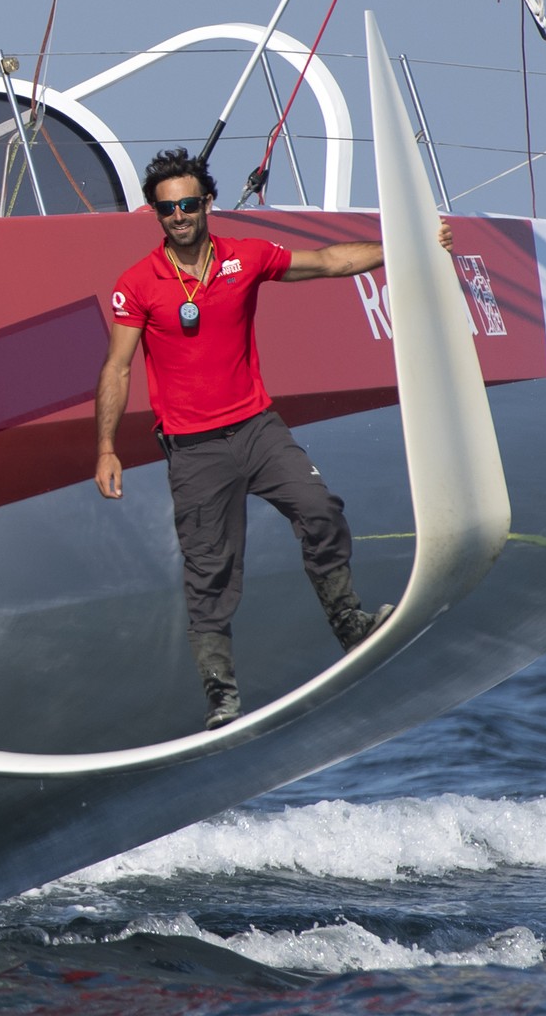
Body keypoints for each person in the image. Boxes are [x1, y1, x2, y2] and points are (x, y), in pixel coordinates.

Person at [95, 147, 452, 731]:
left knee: (320, 510)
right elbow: (117, 368)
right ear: (155, 214)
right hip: (193, 449)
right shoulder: (138, 284)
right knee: (209, 573)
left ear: (208, 203)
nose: (179, 216)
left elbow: (330, 262)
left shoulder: (247, 258)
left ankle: (350, 623)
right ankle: (221, 697)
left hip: (258, 429)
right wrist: (106, 448)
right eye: (167, 209)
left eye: (188, 204)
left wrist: (403, 249)